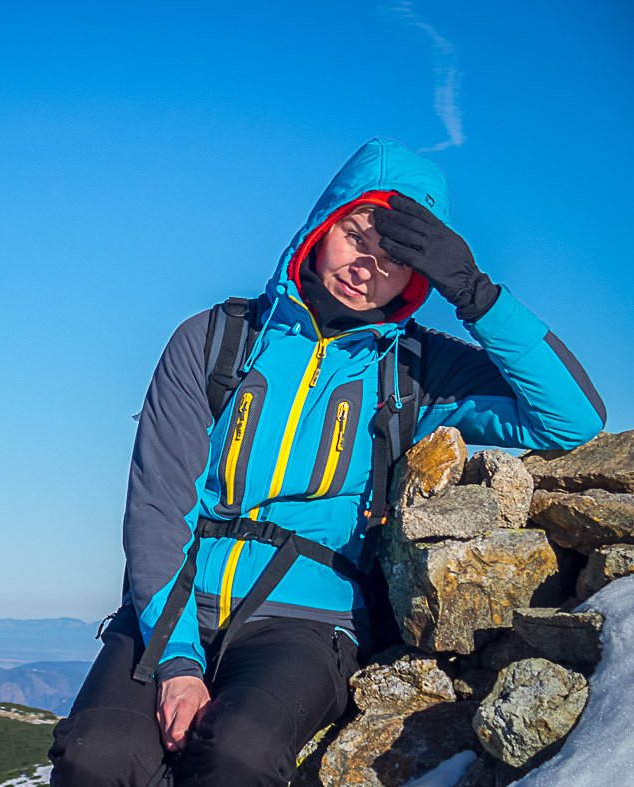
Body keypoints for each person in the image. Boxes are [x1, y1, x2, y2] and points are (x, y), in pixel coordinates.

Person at [48, 138, 605, 787]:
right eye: (356, 232)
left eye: (398, 255)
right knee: (97, 755)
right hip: (171, 605)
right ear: (321, 223)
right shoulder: (214, 340)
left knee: (238, 755)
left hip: (307, 625)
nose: (368, 264)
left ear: (421, 276)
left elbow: (570, 418)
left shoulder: (415, 371)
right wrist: (176, 664)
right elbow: (156, 507)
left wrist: (476, 292)